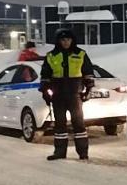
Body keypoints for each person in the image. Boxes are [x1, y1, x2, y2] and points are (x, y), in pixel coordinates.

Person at [40, 28, 95, 161]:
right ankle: (59, 152)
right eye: (63, 40)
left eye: (68, 40)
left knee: (79, 124)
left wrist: (88, 90)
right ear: (59, 41)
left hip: (74, 95)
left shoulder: (81, 54)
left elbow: (88, 73)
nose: (66, 42)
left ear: (72, 40)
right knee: (59, 125)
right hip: (58, 95)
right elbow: (45, 76)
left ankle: (83, 153)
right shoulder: (51, 56)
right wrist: (45, 93)